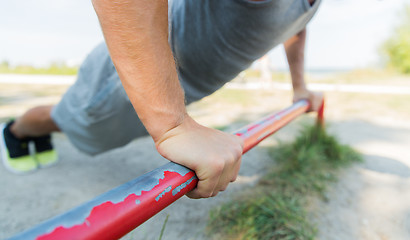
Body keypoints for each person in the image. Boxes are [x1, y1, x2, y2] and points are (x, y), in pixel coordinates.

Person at [0, 0, 322, 199]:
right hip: (140, 70)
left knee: (98, 130)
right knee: (73, 119)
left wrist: (299, 86)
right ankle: (16, 132)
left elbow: (296, 25)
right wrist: (172, 125)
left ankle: (36, 135)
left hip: (180, 89)